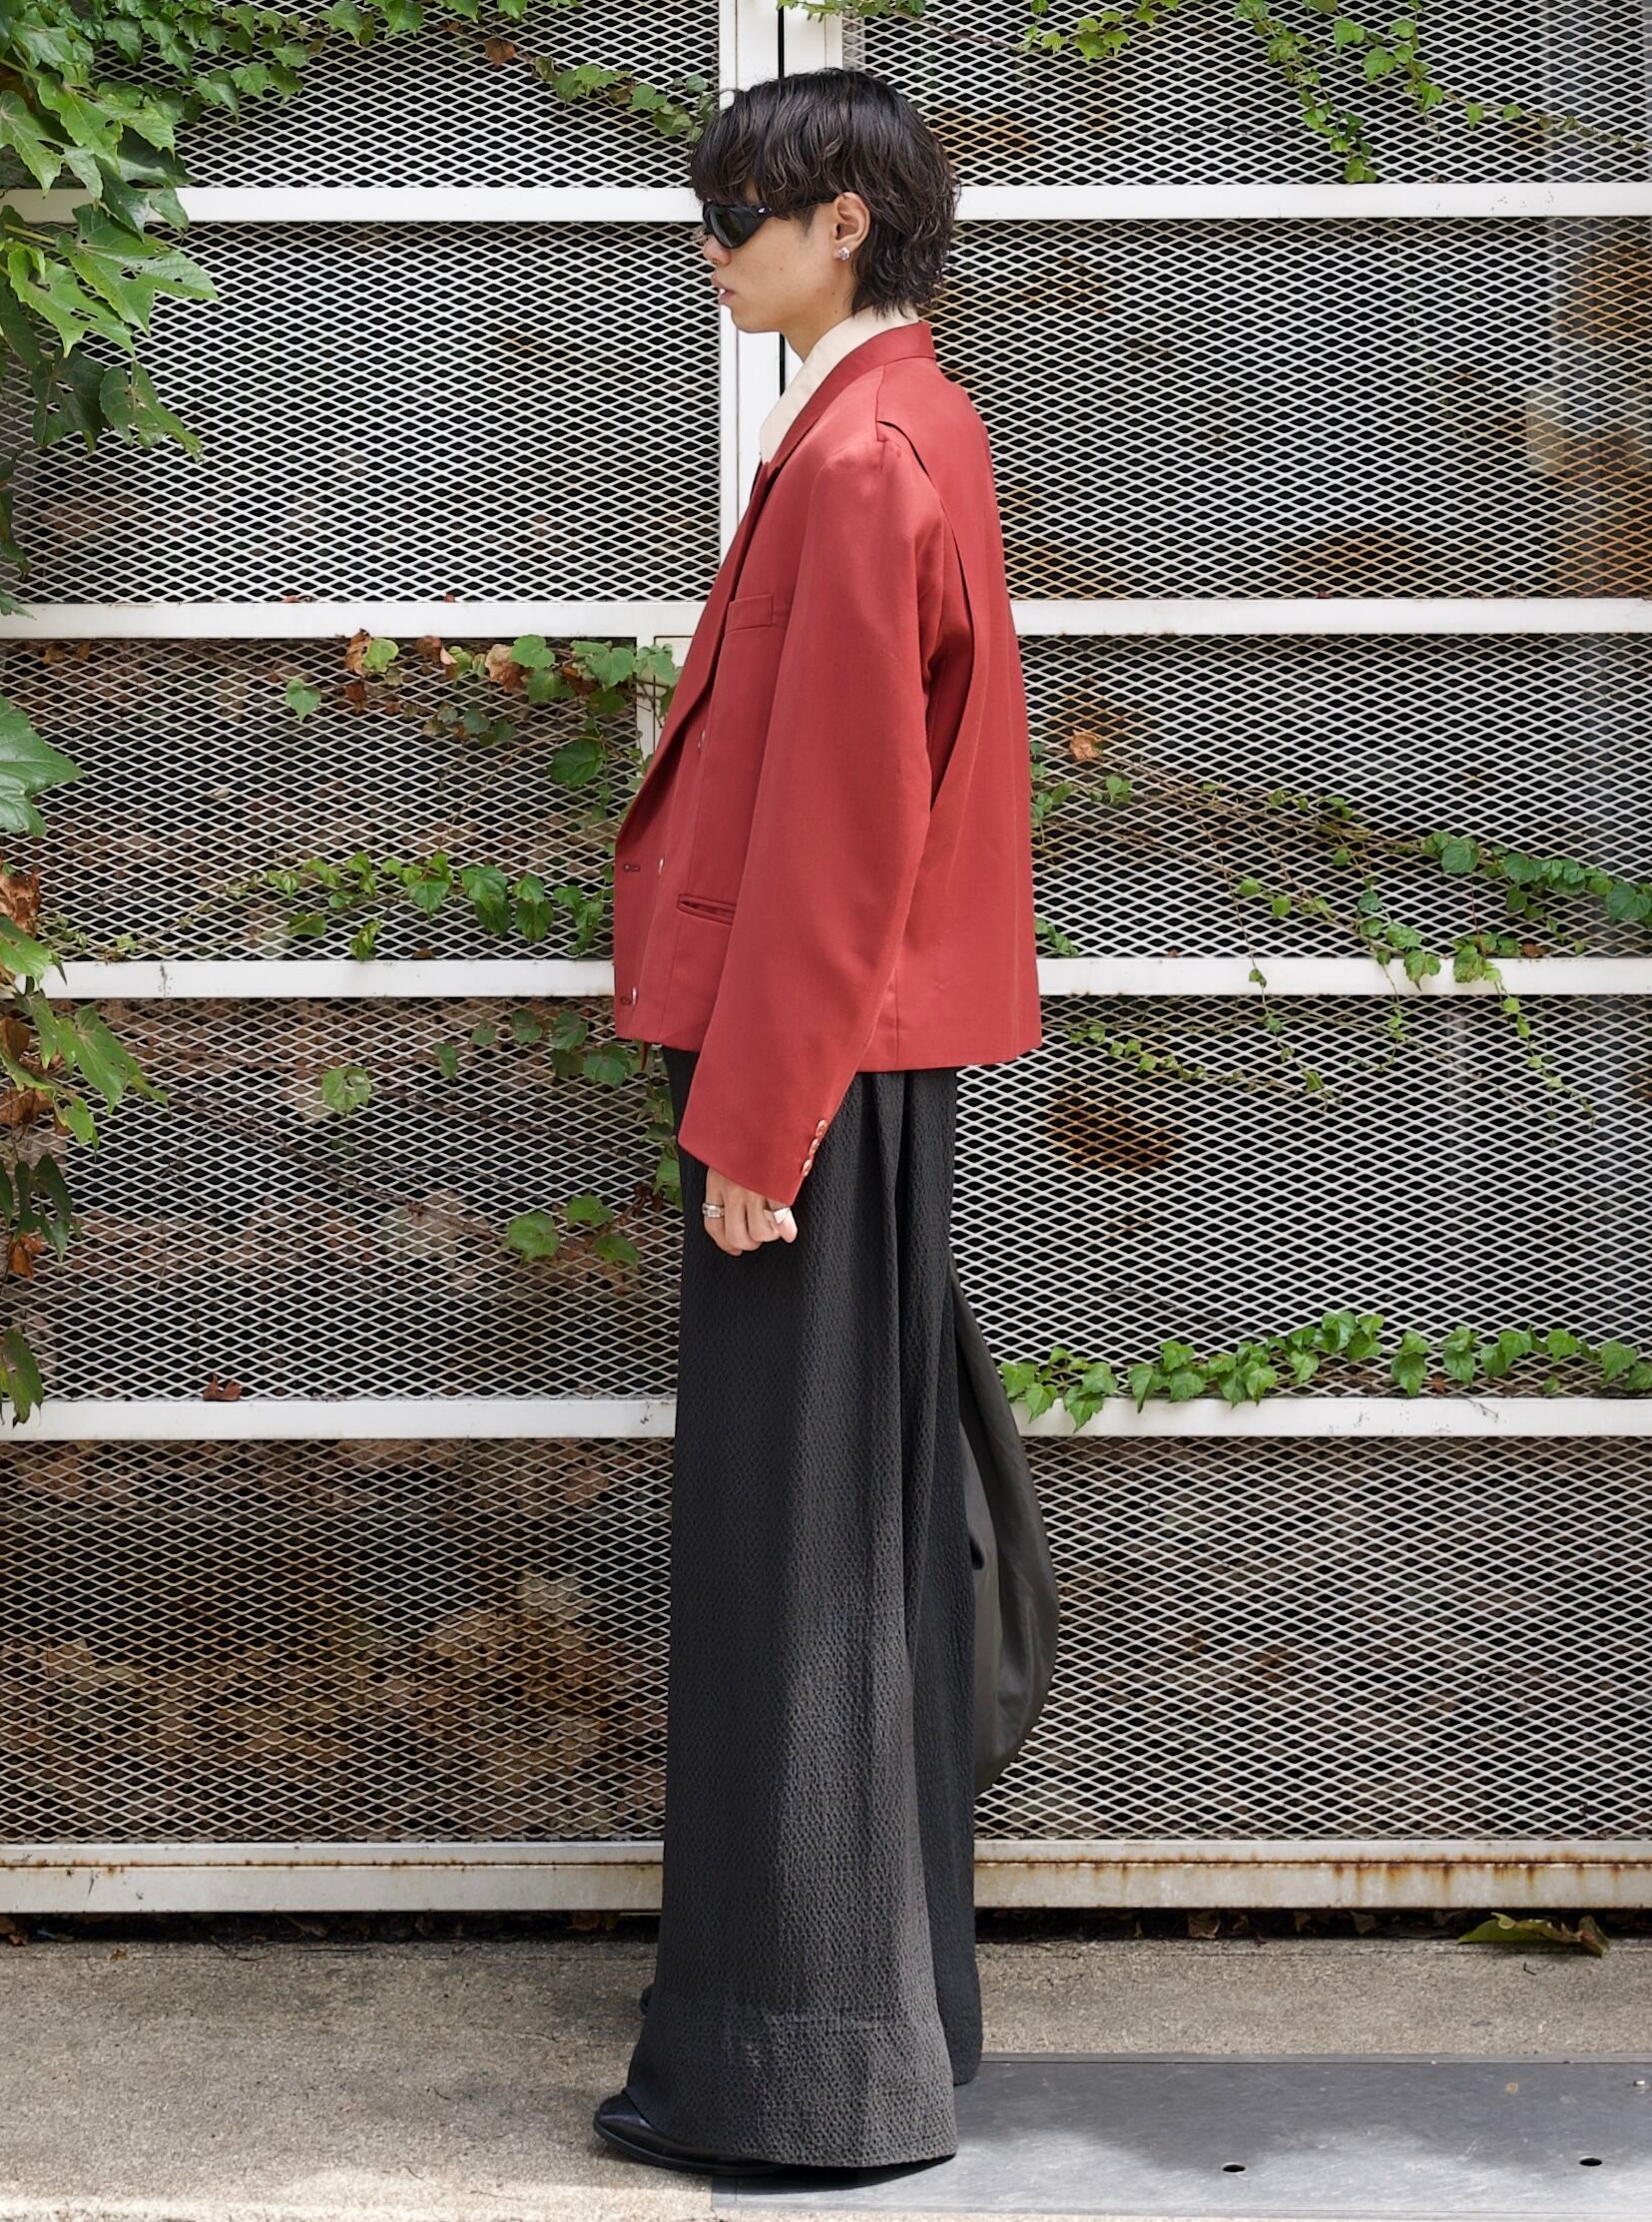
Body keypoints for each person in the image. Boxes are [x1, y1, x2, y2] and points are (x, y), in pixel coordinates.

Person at [594, 65, 1042, 2178]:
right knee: (840, 1543)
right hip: (854, 1069)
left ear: (841, 222)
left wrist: (754, 1125)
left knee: (795, 1569)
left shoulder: (864, 456)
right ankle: (883, 2031)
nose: (712, 248)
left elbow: (843, 830)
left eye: (739, 216)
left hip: (816, 1078)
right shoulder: (898, 420)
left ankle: (796, 2081)